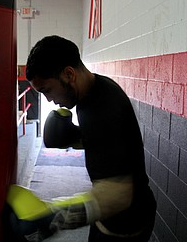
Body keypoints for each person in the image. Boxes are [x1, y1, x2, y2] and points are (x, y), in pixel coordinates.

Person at [23, 35, 156, 242]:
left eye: (47, 90)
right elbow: (108, 142)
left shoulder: (104, 108)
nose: (49, 99)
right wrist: (75, 137)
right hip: (108, 216)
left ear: (69, 74)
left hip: (126, 221)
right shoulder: (91, 94)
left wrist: (54, 216)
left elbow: (119, 195)